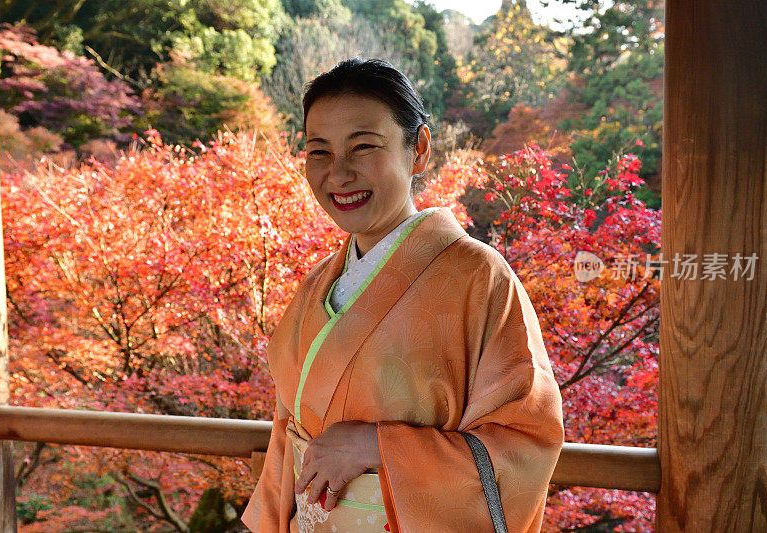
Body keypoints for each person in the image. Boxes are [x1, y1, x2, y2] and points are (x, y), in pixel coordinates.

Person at [240, 57, 564, 533]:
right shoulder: (317, 285)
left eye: (363, 147)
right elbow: (289, 432)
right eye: (319, 152)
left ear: (419, 150)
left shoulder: (479, 277)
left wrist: (377, 446)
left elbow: (524, 441)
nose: (339, 174)